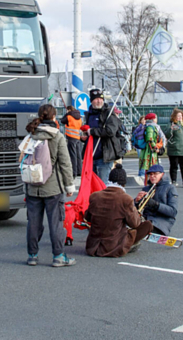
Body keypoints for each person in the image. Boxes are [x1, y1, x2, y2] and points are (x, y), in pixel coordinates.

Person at [22, 103, 76, 267]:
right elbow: (65, 163)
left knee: (33, 222)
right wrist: (69, 186)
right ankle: (58, 256)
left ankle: (32, 255)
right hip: (52, 187)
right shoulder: (57, 136)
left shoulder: (31, 135)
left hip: (33, 186)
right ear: (54, 117)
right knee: (55, 222)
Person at [84, 165, 154, 257]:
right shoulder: (126, 199)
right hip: (113, 247)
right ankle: (128, 245)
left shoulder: (94, 196)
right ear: (123, 183)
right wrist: (135, 211)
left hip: (92, 247)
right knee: (147, 225)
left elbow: (87, 217)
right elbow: (135, 224)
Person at [85, 89, 124, 186]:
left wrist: (93, 131)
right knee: (92, 185)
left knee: (102, 185)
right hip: (91, 156)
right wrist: (85, 137)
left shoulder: (109, 113)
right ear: (91, 100)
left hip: (104, 157)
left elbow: (110, 131)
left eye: (100, 99)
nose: (99, 101)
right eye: (96, 99)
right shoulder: (89, 114)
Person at [134, 164, 178, 235]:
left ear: (162, 174)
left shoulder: (170, 188)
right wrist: (136, 201)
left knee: (145, 226)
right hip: (147, 219)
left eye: (155, 174)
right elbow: (134, 208)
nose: (152, 176)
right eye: (150, 174)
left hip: (161, 222)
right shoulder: (146, 189)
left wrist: (156, 205)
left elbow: (173, 212)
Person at [166, 108, 183, 188]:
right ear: (174, 116)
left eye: (181, 116)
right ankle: (174, 181)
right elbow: (167, 135)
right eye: (178, 116)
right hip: (174, 150)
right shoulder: (171, 124)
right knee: (174, 166)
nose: (179, 117)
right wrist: (171, 129)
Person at [61, 104, 83, 178]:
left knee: (72, 155)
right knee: (78, 155)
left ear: (69, 110)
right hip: (77, 137)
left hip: (71, 138)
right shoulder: (79, 118)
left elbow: (62, 121)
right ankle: (79, 171)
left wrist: (67, 113)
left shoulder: (69, 117)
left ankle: (74, 172)